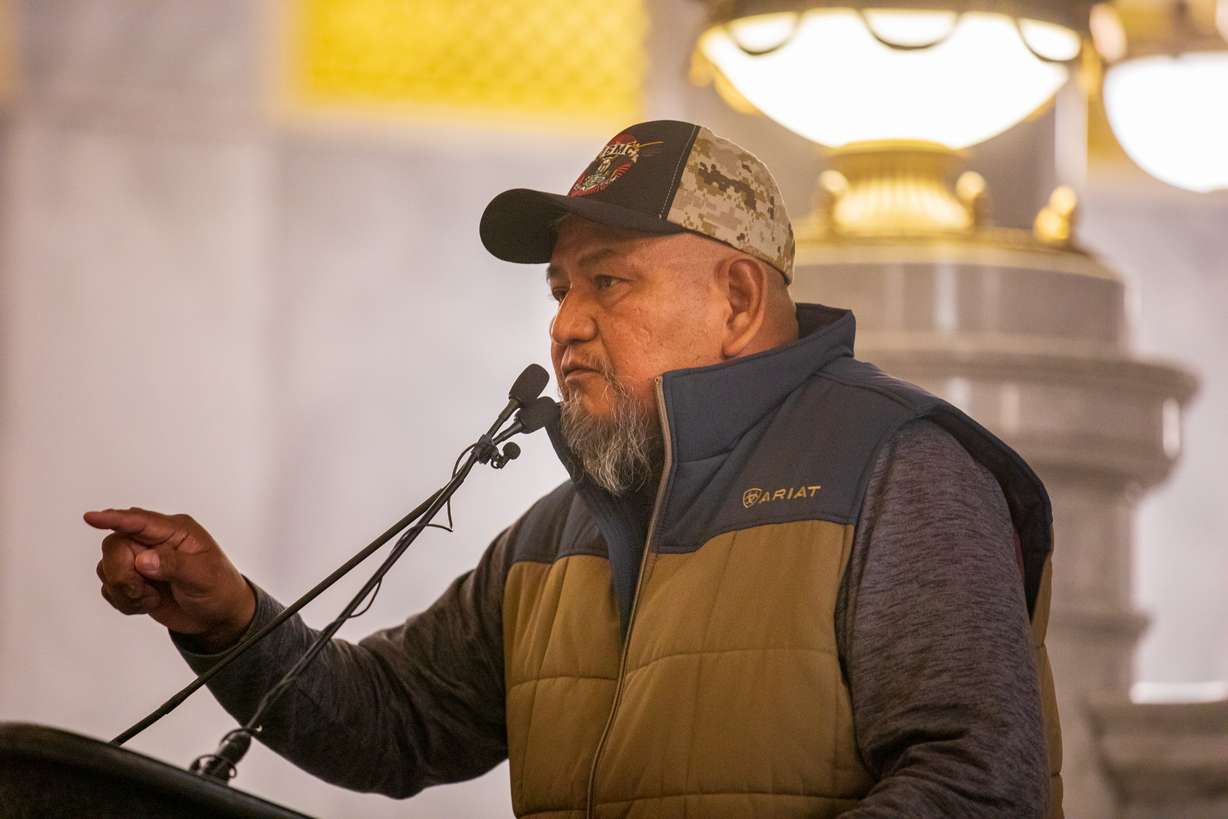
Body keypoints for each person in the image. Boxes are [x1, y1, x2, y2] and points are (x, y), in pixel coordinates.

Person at [87, 120, 1061, 818]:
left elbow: (977, 784)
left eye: (609, 282)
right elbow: (391, 726)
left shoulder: (895, 467)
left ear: (734, 299)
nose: (564, 322)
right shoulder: (558, 533)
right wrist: (227, 620)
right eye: (559, 289)